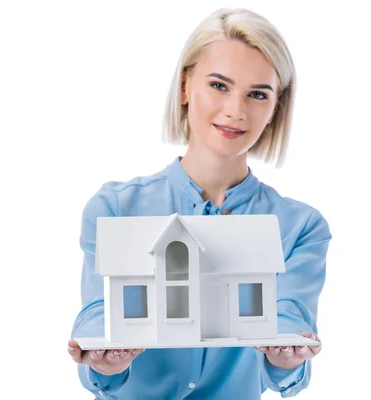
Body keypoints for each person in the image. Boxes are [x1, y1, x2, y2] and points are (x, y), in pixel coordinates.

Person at [67, 7, 331, 399]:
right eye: (219, 85)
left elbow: (290, 316)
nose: (235, 111)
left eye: (257, 94)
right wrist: (104, 355)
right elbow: (98, 312)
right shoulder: (113, 209)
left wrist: (286, 356)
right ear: (185, 86)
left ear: (276, 106)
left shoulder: (300, 226)